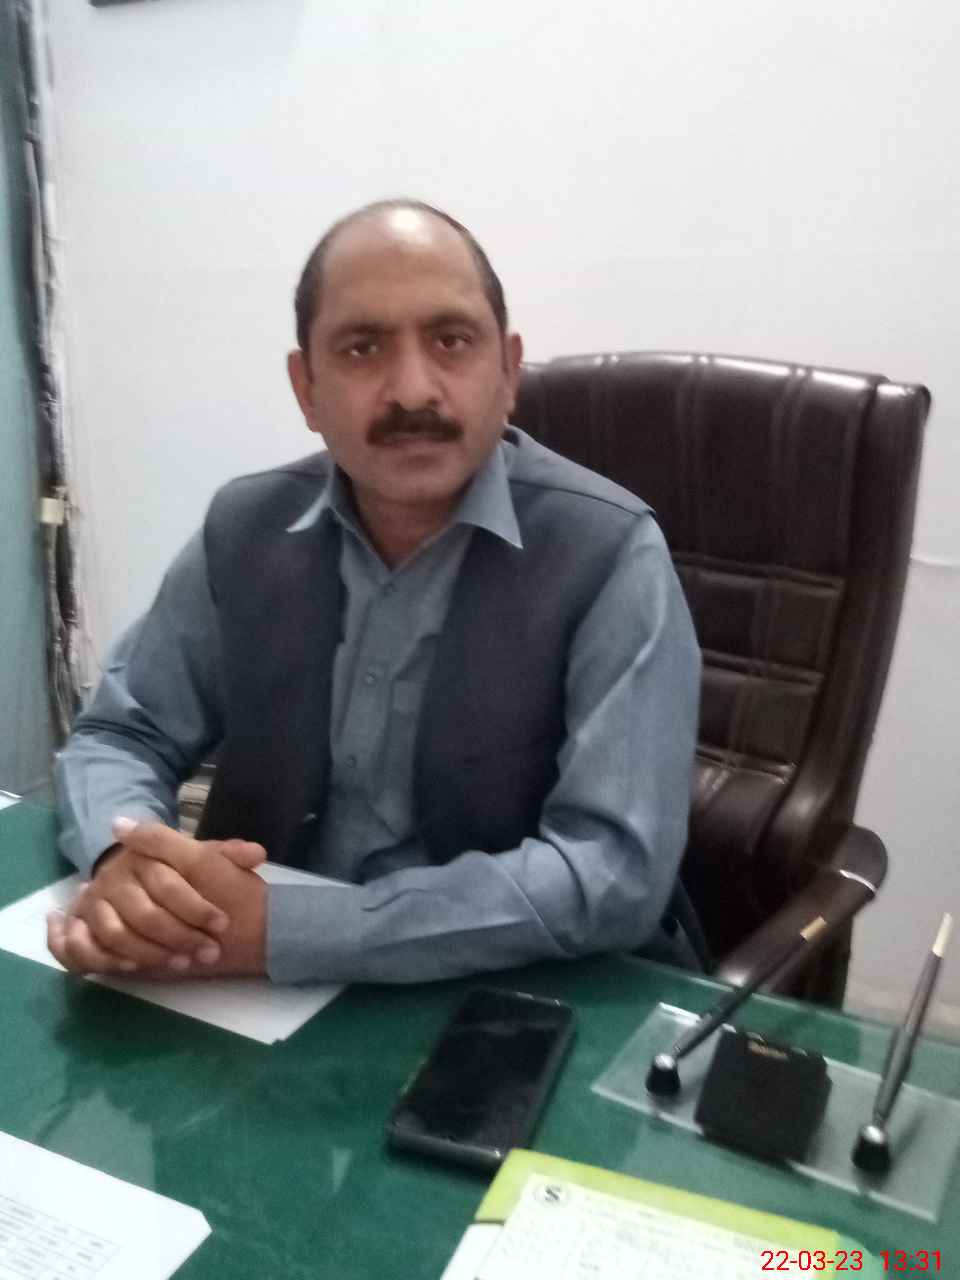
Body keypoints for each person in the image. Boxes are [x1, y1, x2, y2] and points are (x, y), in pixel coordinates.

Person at [49, 199, 701, 984]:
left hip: (508, 993)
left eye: (451, 340)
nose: (412, 390)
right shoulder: (245, 527)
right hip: (245, 988)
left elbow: (610, 872)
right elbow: (123, 735)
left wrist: (292, 931)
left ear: (508, 372)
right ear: (307, 388)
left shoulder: (610, 552)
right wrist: (129, 861)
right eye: (362, 348)